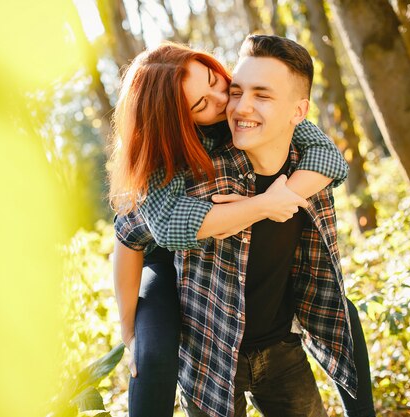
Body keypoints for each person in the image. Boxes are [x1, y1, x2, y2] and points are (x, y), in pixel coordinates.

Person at [111, 40, 374, 417]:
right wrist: (128, 330)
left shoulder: (283, 133)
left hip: (280, 346)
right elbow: (138, 233)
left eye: (220, 82)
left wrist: (276, 198)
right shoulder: (177, 167)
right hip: (205, 336)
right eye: (202, 103)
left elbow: (330, 157)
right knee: (152, 352)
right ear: (179, 122)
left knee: (343, 314)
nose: (226, 101)